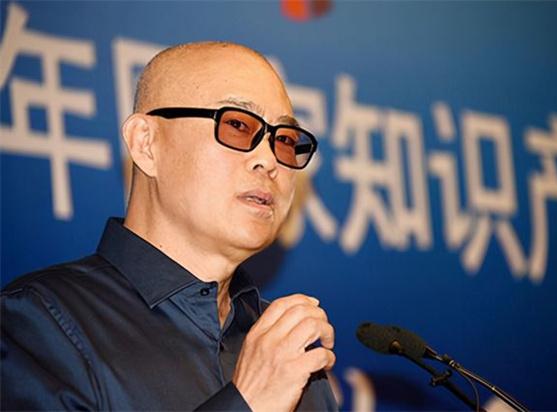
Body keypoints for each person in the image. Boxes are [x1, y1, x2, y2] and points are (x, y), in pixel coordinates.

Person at [1, 41, 337, 411]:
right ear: (146, 143)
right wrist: (248, 402)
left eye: (284, 140)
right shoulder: (37, 323)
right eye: (238, 125)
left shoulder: (289, 355)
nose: (269, 161)